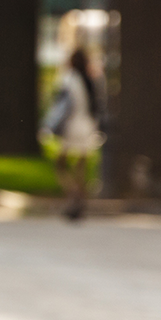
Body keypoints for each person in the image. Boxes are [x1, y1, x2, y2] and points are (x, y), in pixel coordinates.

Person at [44, 47, 104, 220]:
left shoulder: (69, 79)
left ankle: (73, 193)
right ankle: (80, 199)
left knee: (61, 163)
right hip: (88, 125)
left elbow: (61, 107)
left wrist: (51, 125)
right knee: (81, 165)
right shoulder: (91, 80)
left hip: (72, 125)